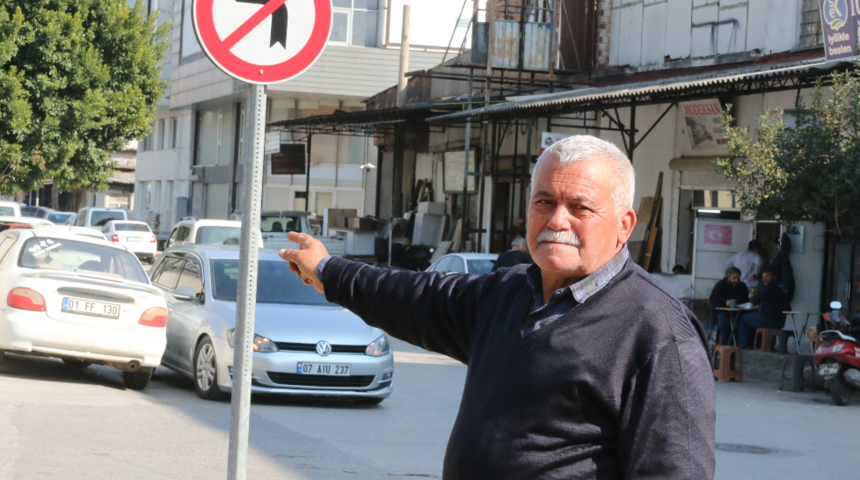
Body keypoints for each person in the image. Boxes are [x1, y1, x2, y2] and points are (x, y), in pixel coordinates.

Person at [280, 135, 715, 479]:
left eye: (580, 207)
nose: (557, 220)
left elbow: (675, 470)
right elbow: (411, 296)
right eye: (545, 202)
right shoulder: (508, 293)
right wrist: (328, 270)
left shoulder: (657, 331)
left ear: (624, 226)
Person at [737, 268, 791, 349]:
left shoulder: (771, 285)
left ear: (774, 276)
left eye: (767, 276)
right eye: (763, 277)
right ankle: (760, 345)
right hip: (781, 321)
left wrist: (751, 297)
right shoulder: (783, 287)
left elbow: (756, 299)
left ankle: (744, 347)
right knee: (753, 318)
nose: (764, 279)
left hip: (768, 319)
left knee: (743, 318)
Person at [712, 267, 750, 345]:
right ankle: (725, 343)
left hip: (738, 312)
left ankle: (744, 343)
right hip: (722, 311)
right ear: (728, 277)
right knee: (723, 320)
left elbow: (747, 300)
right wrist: (725, 302)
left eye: (738, 278)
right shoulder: (721, 284)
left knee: (747, 319)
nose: (736, 281)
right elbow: (712, 299)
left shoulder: (742, 286)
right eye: (734, 278)